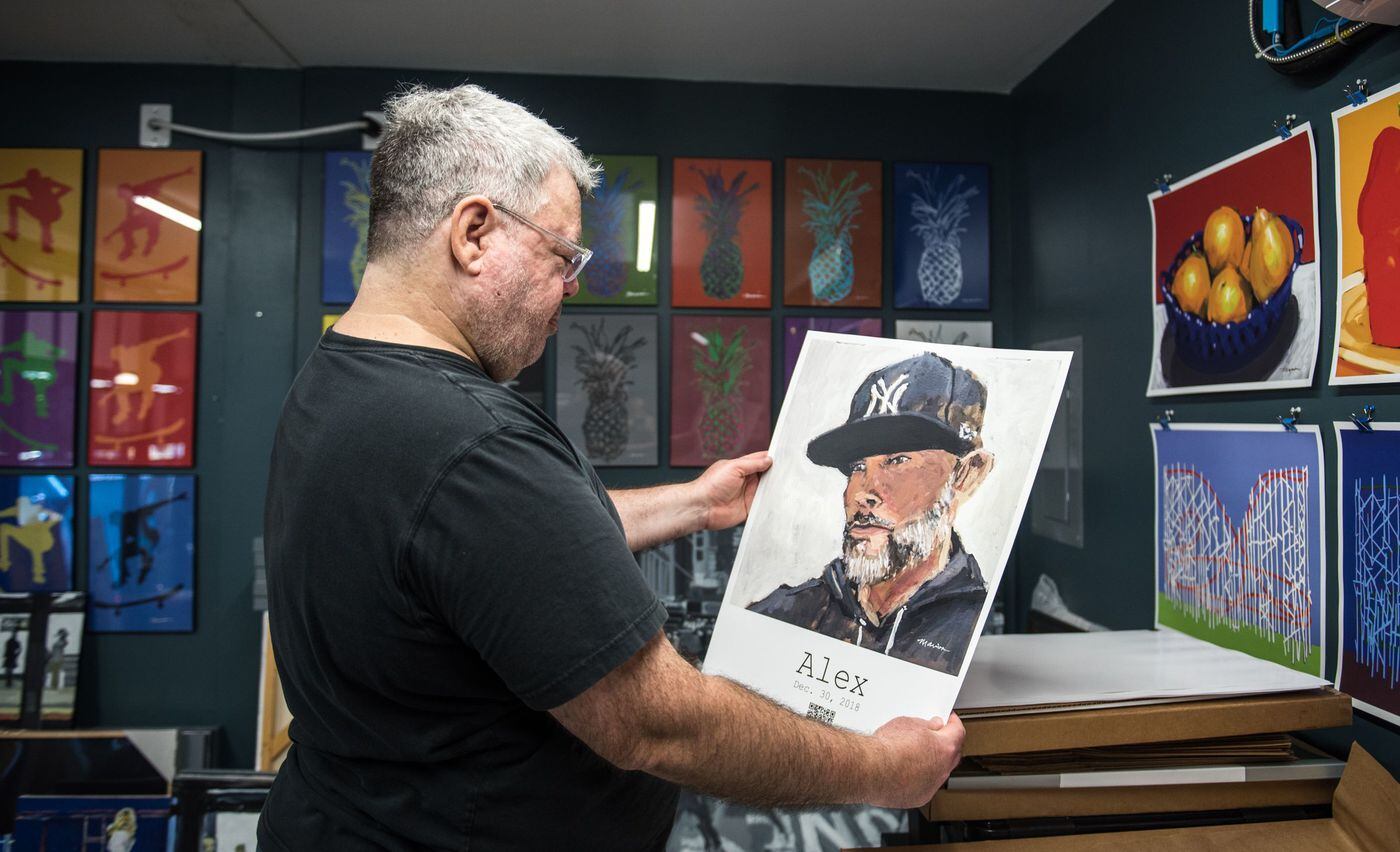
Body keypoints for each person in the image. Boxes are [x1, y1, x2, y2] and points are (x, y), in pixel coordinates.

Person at [259, 83, 964, 852]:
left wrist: (694, 504)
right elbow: (660, 725)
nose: (571, 285)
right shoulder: (472, 443)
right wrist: (881, 767)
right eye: (562, 254)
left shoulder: (340, 381)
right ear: (473, 234)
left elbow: (494, 552)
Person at [749, 353, 994, 675]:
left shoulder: (976, 629)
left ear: (966, 474)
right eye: (857, 466)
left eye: (897, 461)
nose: (863, 492)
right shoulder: (783, 615)